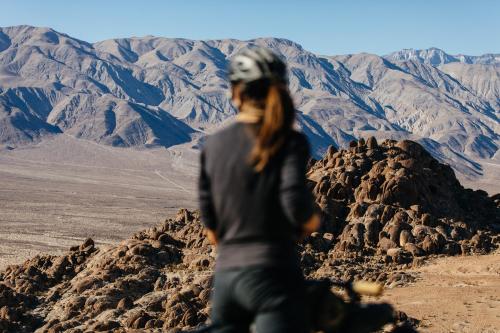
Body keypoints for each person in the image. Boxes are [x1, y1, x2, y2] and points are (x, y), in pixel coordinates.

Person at [198, 47, 320, 333]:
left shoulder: (213, 146)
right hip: (273, 276)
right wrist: (312, 222)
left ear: (236, 93)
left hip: (227, 279)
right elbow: (294, 203)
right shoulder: (289, 141)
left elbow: (211, 227)